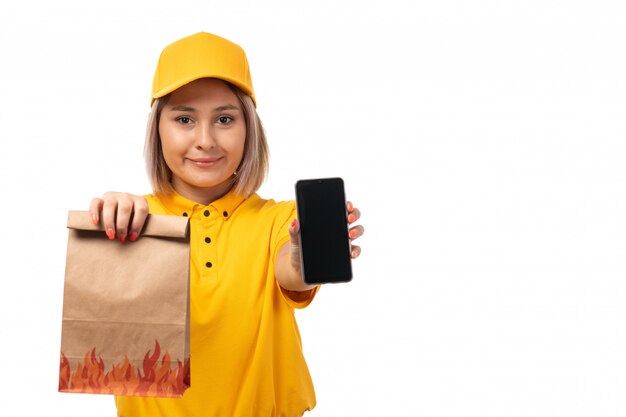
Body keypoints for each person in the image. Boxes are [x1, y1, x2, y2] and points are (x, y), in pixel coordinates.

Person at [88, 32, 364, 417]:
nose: (205, 140)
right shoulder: (136, 222)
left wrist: (303, 257)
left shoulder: (279, 220)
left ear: (249, 128)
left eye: (224, 119)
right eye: (184, 118)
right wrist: (115, 226)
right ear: (158, 129)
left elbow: (291, 272)